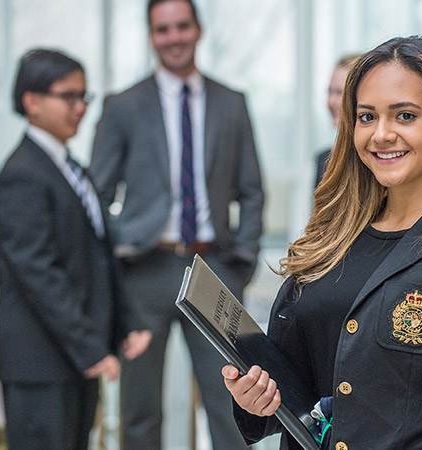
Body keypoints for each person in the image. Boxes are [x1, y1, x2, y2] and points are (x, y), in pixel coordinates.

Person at [223, 36, 422, 449]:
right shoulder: (333, 235)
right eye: (366, 117)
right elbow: (296, 385)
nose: (381, 134)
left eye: (405, 116)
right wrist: (255, 397)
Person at [88, 0, 263, 448]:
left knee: (230, 404)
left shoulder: (232, 103)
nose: (174, 37)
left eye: (182, 26)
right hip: (143, 272)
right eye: (163, 29)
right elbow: (97, 196)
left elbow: (252, 190)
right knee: (140, 408)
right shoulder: (123, 106)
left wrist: (241, 263)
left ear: (198, 30)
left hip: (214, 269)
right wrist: (113, 266)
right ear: (151, 36)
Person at [0, 49, 151, 450]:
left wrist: (124, 324)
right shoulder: (22, 175)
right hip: (40, 362)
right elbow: (38, 274)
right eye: (69, 96)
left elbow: (99, 255)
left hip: (73, 360)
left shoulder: (72, 169)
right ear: (32, 101)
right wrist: (90, 347)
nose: (80, 107)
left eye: (84, 97)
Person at [314, 54, 360, 188]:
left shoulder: (379, 159)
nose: (330, 101)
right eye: (329, 92)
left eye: (340, 93)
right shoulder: (324, 160)